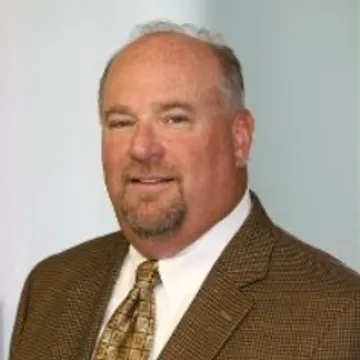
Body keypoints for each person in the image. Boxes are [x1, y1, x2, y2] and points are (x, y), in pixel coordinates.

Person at [9, 20, 360, 360]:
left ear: (240, 138)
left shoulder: (337, 316)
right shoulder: (50, 287)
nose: (142, 148)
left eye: (174, 119)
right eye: (121, 122)